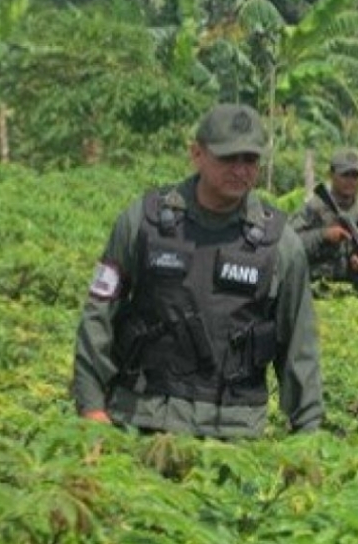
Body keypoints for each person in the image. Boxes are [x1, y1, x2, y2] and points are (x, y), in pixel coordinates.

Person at [71, 103, 324, 438]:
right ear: (197, 154)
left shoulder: (281, 245)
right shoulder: (143, 223)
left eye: (249, 160)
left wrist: (307, 439)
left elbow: (299, 345)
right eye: (227, 158)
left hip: (234, 434)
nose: (240, 170)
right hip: (140, 420)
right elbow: (98, 314)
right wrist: (91, 407)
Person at [289, 148, 358, 299]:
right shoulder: (313, 209)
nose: (350, 181)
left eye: (355, 176)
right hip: (316, 294)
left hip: (357, 299)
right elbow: (289, 245)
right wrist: (323, 235)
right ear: (331, 175)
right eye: (345, 175)